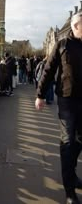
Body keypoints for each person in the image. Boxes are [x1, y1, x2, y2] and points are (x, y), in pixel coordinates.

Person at [35, 12, 82, 204]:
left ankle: (70, 174)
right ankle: (69, 191)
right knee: (68, 142)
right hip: (67, 100)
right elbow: (48, 69)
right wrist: (40, 95)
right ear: (76, 26)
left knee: (80, 141)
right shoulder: (62, 44)